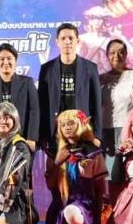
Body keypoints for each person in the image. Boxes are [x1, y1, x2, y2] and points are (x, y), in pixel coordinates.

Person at [45, 109, 107, 224]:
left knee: (71, 212)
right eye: (63, 125)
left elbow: (99, 188)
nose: (67, 127)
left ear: (81, 124)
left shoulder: (92, 151)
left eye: (71, 123)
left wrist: (96, 223)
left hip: (84, 203)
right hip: (62, 203)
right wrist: (57, 162)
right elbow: (50, 185)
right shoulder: (55, 152)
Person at [38, 23, 102, 153]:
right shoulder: (47, 69)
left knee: (82, 167)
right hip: (55, 134)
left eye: (71, 38)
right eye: (63, 38)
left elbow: (96, 104)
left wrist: (97, 135)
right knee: (57, 167)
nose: (67, 42)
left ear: (77, 41)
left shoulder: (90, 68)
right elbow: (42, 105)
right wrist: (42, 135)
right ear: (57, 42)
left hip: (82, 132)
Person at [100, 39, 133, 200]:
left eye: (121, 52)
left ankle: (132, 210)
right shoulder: (101, 79)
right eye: (112, 52)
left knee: (131, 173)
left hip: (129, 131)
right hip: (106, 132)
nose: (117, 56)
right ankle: (115, 210)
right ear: (107, 55)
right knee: (112, 175)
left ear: (126, 54)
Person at [0, 43, 39, 151]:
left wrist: (31, 138)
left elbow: (34, 111)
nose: (6, 62)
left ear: (15, 60)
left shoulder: (27, 83)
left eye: (9, 58)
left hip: (23, 140)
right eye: (1, 59)